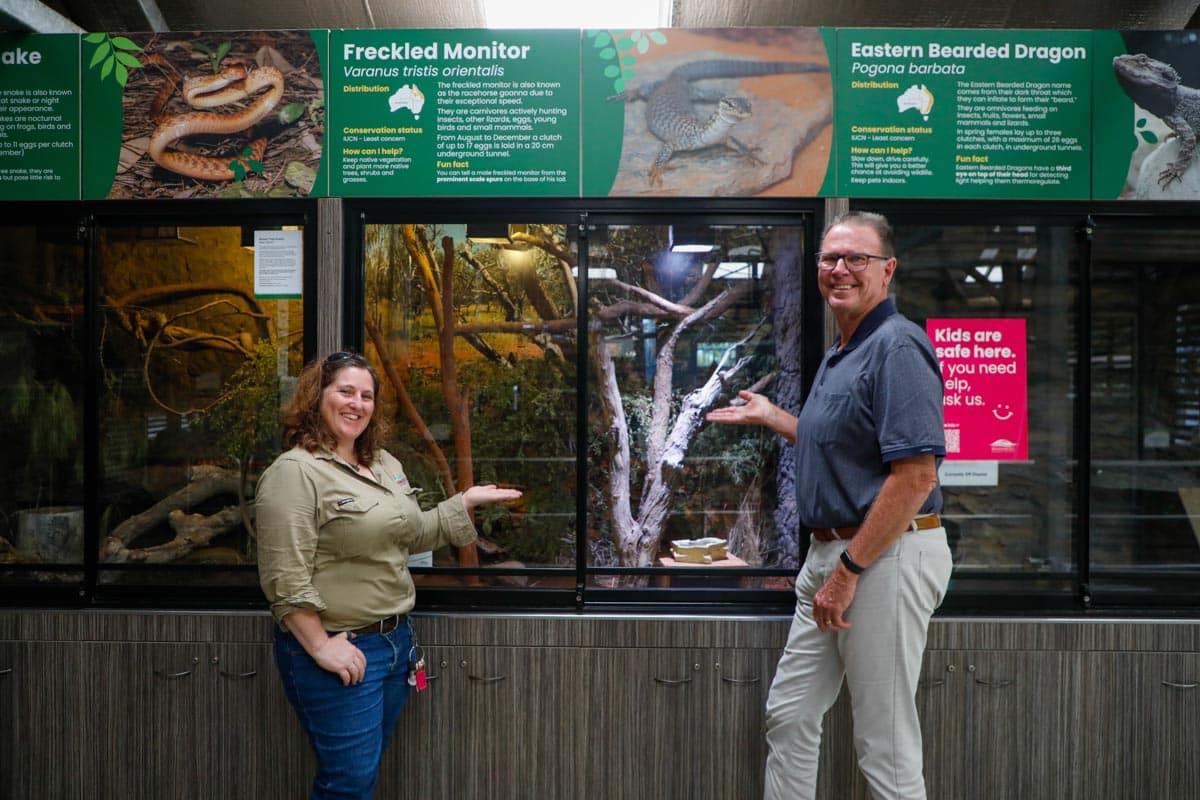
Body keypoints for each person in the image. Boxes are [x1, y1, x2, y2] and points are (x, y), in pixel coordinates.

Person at [707, 211, 953, 800]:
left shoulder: (896, 346)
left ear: (887, 269)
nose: (840, 269)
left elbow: (915, 476)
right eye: (829, 258)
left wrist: (847, 572)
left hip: (882, 557)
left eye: (856, 258)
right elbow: (841, 444)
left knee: (884, 744)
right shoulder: (845, 348)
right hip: (831, 557)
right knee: (790, 715)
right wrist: (773, 417)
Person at [256, 350, 521, 800]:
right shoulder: (294, 473)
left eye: (366, 396)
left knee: (363, 774)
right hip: (341, 648)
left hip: (396, 646)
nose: (356, 404)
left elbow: (410, 535)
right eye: (345, 391)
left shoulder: (382, 463)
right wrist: (320, 646)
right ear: (317, 397)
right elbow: (284, 576)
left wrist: (465, 502)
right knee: (348, 784)